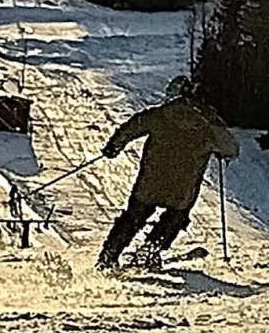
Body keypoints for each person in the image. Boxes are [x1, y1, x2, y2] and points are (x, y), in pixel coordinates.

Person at [96, 76, 239, 272]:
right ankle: (149, 251)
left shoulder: (161, 115)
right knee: (175, 218)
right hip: (182, 188)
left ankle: (109, 256)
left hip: (150, 180)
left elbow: (134, 125)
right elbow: (231, 149)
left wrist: (114, 146)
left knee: (133, 217)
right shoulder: (208, 125)